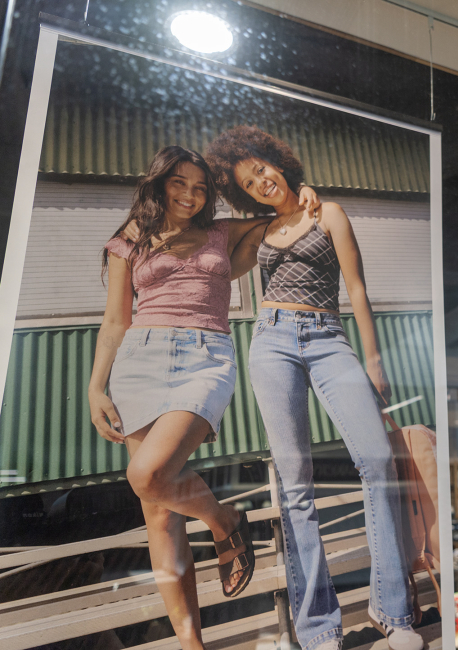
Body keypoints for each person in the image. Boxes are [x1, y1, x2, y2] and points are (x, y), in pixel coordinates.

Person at [88, 145, 318, 650]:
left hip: (204, 358)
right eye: (179, 183)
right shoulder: (130, 240)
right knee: (159, 512)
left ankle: (225, 521)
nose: (190, 195)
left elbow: (285, 215)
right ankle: (192, 644)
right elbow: (115, 321)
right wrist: (95, 386)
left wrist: (299, 191)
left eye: (200, 187)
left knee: (148, 475)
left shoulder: (222, 233)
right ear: (159, 184)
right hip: (138, 360)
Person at [205, 126, 423, 650]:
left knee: (376, 460)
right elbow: (212, 245)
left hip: (328, 337)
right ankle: (319, 627)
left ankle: (392, 611)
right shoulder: (256, 233)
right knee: (296, 483)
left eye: (263, 169)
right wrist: (261, 213)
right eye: (249, 182)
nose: (262, 181)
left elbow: (357, 288)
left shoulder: (328, 214)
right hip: (271, 341)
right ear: (243, 195)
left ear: (279, 162)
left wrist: (372, 360)